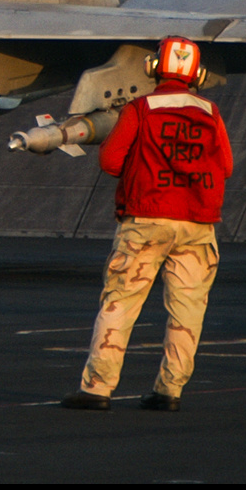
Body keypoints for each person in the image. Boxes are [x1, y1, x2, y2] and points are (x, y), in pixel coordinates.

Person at [63, 36, 233, 412]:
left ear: (154, 68)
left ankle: (97, 389)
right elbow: (227, 167)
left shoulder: (141, 108)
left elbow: (110, 161)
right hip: (198, 224)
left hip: (147, 219)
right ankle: (169, 390)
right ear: (198, 75)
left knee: (120, 303)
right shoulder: (210, 112)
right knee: (188, 311)